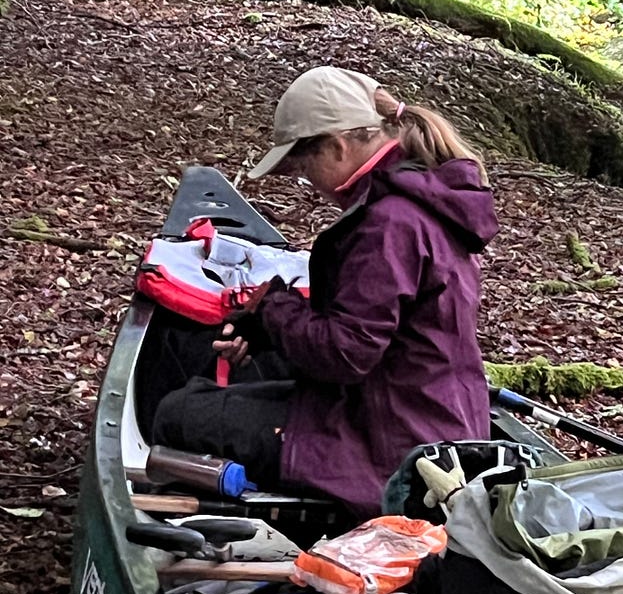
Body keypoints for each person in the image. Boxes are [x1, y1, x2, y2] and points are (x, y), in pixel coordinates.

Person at [152, 65, 499, 516]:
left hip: (395, 449)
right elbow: (369, 329)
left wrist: (273, 306)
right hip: (432, 417)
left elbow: (347, 354)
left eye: (302, 165)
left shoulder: (389, 223)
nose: (307, 180)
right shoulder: (421, 199)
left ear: (336, 147)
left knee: (178, 413)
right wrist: (265, 329)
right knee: (233, 386)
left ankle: (259, 524)